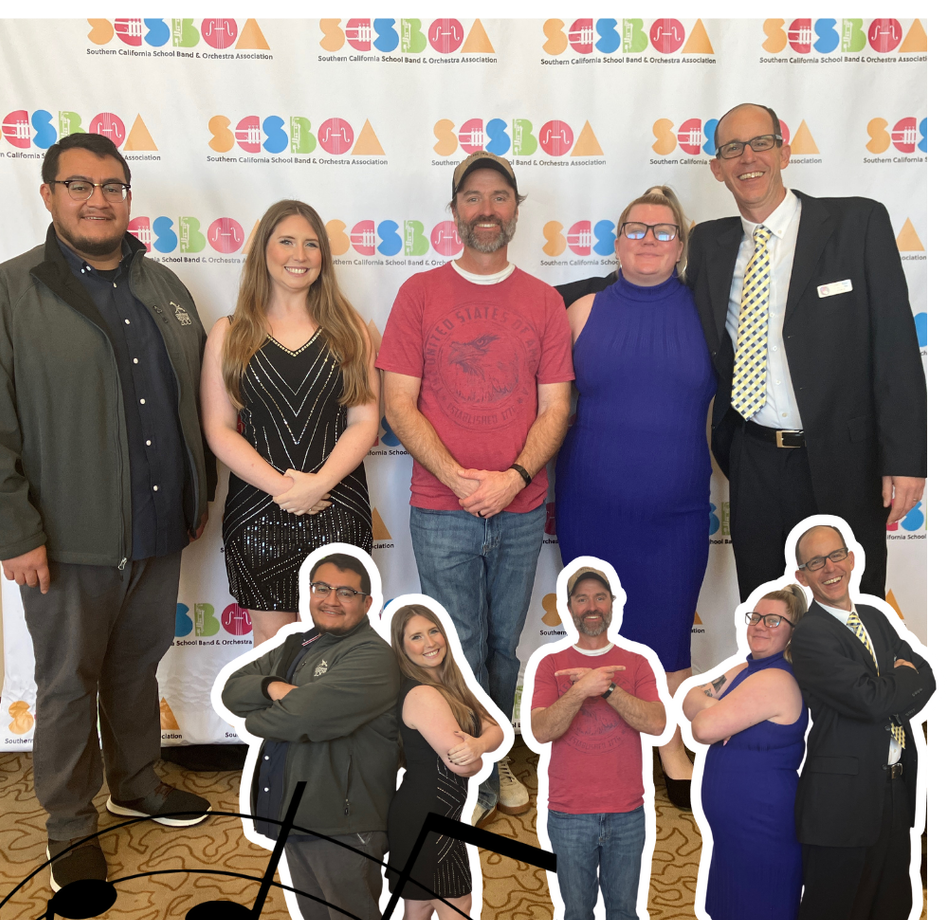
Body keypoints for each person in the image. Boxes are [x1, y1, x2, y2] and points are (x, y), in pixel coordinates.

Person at [0, 132, 214, 891]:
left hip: (159, 533)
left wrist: (197, 495)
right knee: (68, 682)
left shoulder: (164, 288)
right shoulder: (7, 293)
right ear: (48, 195)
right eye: (79, 185)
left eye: (112, 186)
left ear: (129, 197)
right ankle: (69, 825)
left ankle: (137, 783)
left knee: (135, 672)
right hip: (66, 542)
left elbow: (189, 405)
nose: (98, 199)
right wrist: (15, 533)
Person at [379, 150, 574, 825]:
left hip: (520, 509)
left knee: (499, 648)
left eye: (499, 197)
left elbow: (557, 407)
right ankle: (463, 774)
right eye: (473, 197)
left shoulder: (544, 302)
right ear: (454, 210)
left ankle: (495, 757)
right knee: (452, 645)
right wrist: (459, 479)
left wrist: (514, 478)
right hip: (442, 508)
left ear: (516, 209)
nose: (486, 210)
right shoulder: (419, 295)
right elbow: (398, 404)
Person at [685, 102, 926, 602]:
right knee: (769, 609)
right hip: (753, 459)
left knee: (853, 610)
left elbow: (897, 346)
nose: (747, 158)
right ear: (717, 167)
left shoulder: (857, 223)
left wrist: (906, 458)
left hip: (846, 460)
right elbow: (654, 286)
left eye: (760, 143)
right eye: (732, 149)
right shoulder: (709, 244)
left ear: (784, 151)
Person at [554, 185, 716, 809]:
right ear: (617, 239)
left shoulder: (704, 310)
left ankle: (671, 747)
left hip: (676, 507)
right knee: (599, 624)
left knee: (669, 629)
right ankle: (604, 741)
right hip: (592, 502)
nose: (649, 241)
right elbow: (548, 406)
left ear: (682, 244)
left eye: (664, 230)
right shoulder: (582, 310)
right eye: (637, 229)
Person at [220, 551, 399, 920]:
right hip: (294, 812)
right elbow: (233, 690)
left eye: (346, 592)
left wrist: (273, 712)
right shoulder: (298, 642)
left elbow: (310, 718)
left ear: (367, 602)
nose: (331, 599)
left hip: (345, 820)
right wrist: (277, 691)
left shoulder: (374, 658)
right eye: (322, 588)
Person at [201, 200, 378, 648]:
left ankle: (329, 723)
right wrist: (285, 489)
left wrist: (318, 485)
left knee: (337, 646)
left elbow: (364, 420)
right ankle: (278, 722)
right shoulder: (231, 331)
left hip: (337, 506)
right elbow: (219, 428)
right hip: (259, 511)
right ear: (263, 251)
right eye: (286, 242)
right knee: (273, 645)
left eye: (311, 244)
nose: (299, 255)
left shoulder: (350, 329)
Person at [788, 523, 934, 920]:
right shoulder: (808, 635)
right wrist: (899, 678)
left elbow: (927, 675)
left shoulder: (874, 614)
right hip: (840, 800)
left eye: (836, 556)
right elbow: (872, 701)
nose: (830, 569)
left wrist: (895, 680)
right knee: (832, 919)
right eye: (816, 563)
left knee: (891, 908)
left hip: (893, 790)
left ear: (852, 557)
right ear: (803, 576)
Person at [529, 567, 665, 920]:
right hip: (569, 813)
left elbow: (657, 723)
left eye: (599, 597)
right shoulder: (549, 664)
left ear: (612, 603)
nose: (591, 607)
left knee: (624, 909)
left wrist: (604, 687)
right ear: (569, 609)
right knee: (577, 910)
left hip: (627, 810)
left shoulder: (637, 662)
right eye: (581, 599)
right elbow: (542, 730)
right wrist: (577, 691)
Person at [682, 584, 808, 920]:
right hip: (734, 827)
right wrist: (713, 713)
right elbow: (691, 699)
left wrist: (714, 715)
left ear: (793, 633)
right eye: (756, 616)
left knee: (766, 918)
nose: (760, 626)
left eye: (774, 621)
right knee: (729, 903)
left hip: (765, 824)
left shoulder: (775, 677)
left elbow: (702, 727)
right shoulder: (746, 668)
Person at [386, 604, 504, 920]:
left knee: (418, 910)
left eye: (433, 631)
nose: (429, 642)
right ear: (402, 648)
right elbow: (462, 765)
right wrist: (475, 749)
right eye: (416, 637)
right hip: (426, 815)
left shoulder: (449, 682)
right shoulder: (422, 693)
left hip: (433, 813)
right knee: (454, 911)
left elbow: (496, 727)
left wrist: (478, 744)